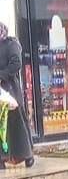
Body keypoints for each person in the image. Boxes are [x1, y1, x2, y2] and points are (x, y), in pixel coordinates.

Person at [0, 22, 34, 168]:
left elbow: (16, 63)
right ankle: (2, 157)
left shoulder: (11, 44)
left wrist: (2, 75)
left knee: (17, 122)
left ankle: (27, 154)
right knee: (2, 125)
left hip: (10, 90)